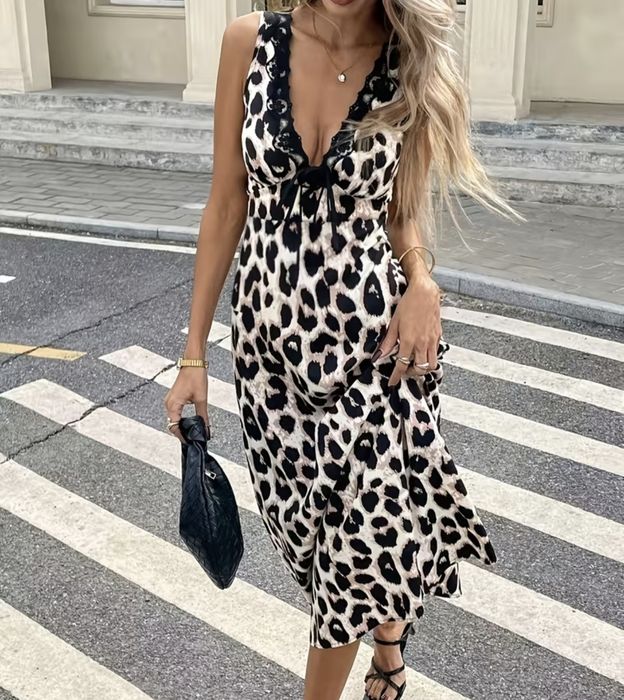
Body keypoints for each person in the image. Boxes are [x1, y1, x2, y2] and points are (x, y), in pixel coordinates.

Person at [165, 1, 516, 698]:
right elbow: (226, 203)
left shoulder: (406, 59)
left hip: (377, 350)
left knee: (354, 553)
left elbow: (402, 212)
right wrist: (194, 355)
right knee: (311, 543)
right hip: (268, 359)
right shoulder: (249, 43)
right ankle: (388, 644)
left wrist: (422, 283)